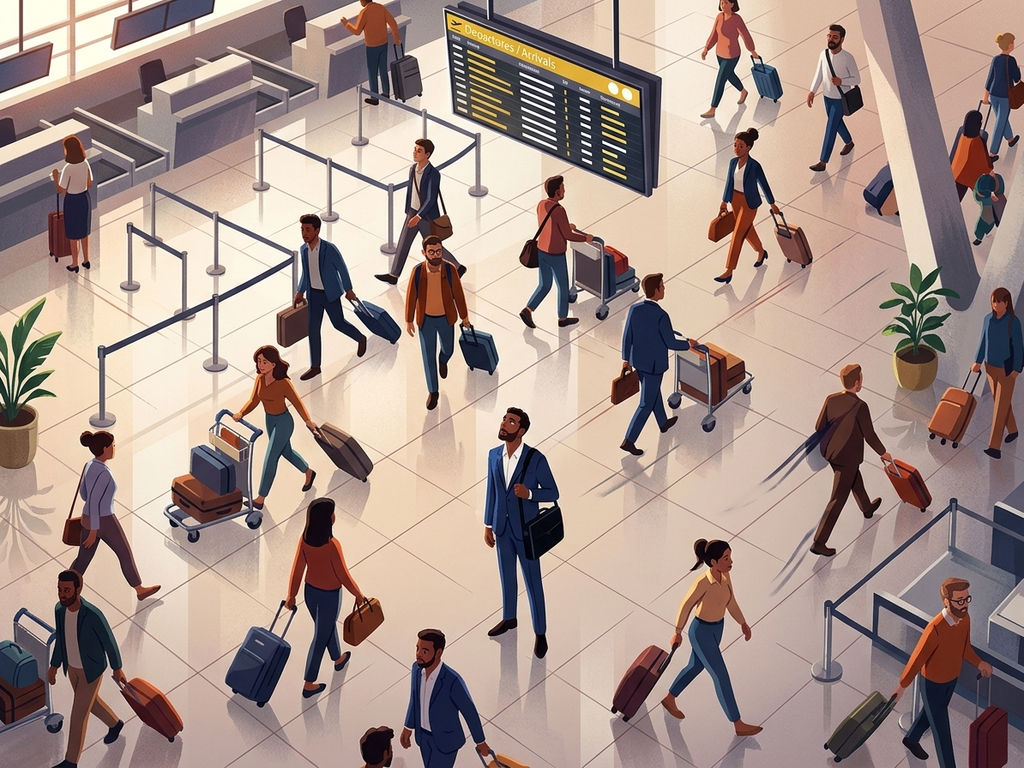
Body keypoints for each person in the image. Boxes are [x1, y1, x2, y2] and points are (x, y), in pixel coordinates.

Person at [661, 539, 763, 737]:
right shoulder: (702, 582)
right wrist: (677, 632)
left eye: (730, 556)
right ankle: (737, 722)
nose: (730, 561)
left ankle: (670, 697)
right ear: (713, 562)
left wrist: (742, 623)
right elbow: (686, 605)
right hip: (701, 632)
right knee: (721, 675)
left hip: (718, 628)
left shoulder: (725, 577)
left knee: (695, 666)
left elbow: (730, 602)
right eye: (726, 558)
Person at [483, 408, 559, 659]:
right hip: (502, 529)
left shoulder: (535, 459)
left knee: (533, 582)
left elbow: (553, 493)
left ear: (521, 430)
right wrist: (487, 524)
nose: (505, 424)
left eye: (511, 421)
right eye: (505, 419)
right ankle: (509, 618)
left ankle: (540, 632)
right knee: (507, 577)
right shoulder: (494, 456)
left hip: (526, 532)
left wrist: (530, 494)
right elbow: (492, 492)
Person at [893, 577, 993, 766]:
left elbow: (965, 648)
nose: (964, 605)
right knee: (942, 730)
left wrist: (979, 663)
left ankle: (911, 738)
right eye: (959, 600)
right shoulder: (935, 629)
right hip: (932, 683)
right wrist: (902, 685)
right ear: (946, 601)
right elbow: (917, 658)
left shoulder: (965, 619)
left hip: (951, 679)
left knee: (930, 714)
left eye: (967, 599)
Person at [285, 498, 364, 698]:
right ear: (329, 519)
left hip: (310, 593)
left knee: (324, 628)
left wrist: (291, 595)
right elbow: (342, 574)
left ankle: (338, 659)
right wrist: (358, 593)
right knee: (320, 637)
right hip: (330, 596)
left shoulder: (304, 540)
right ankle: (308, 682)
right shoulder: (332, 545)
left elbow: (297, 570)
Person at [48, 570, 127, 768]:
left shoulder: (92, 615)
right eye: (59, 589)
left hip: (91, 670)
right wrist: (54, 665)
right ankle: (115, 724)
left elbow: (109, 641)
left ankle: (70, 762)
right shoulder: (59, 610)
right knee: (91, 704)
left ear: (78, 589)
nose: (62, 594)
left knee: (78, 714)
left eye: (67, 590)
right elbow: (61, 640)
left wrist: (117, 668)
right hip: (72, 668)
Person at [811, 364, 891, 556]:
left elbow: (818, 426)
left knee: (854, 479)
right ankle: (819, 542)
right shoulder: (860, 406)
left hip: (833, 454)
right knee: (838, 498)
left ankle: (867, 507)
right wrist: (883, 452)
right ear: (857, 382)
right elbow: (869, 434)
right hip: (849, 458)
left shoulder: (831, 399)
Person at [70, 431, 160, 602]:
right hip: (104, 520)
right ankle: (139, 589)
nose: (114, 448)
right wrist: (94, 531)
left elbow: (84, 494)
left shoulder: (89, 465)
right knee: (124, 552)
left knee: (83, 558)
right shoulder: (104, 473)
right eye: (112, 445)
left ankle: (68, 588)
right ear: (105, 448)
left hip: (88, 518)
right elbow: (95, 501)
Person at [620, 273, 697, 456]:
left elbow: (627, 336)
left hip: (638, 361)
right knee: (646, 403)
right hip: (654, 365)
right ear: (655, 291)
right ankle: (629, 440)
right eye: (662, 286)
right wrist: (688, 345)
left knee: (653, 393)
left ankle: (663, 423)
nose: (664, 289)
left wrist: (625, 360)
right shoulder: (662, 316)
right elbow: (670, 342)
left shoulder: (634, 310)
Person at [233, 345, 317, 510]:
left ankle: (260, 498)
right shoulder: (259, 379)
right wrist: (241, 413)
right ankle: (308, 472)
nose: (261, 365)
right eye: (259, 361)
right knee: (286, 452)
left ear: (273, 364)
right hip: (270, 420)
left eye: (265, 362)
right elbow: (254, 400)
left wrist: (308, 420)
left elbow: (297, 402)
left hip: (284, 422)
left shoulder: (283, 383)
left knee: (271, 456)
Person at [376, 140, 465, 284]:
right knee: (404, 242)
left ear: (427, 154)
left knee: (433, 245)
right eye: (415, 149)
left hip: (425, 216)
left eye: (419, 151)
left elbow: (431, 199)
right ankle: (394, 275)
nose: (415, 152)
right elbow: (411, 191)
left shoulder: (433, 174)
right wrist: (409, 211)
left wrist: (418, 216)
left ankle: (458, 266)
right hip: (412, 212)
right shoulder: (412, 169)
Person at [292, 213, 367, 382]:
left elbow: (342, 268)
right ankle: (315, 367)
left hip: (330, 295)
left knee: (338, 323)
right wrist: (300, 291)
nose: (304, 233)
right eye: (302, 229)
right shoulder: (303, 250)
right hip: (313, 295)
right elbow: (306, 272)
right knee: (313, 330)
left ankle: (360, 338)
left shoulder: (329, 249)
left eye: (308, 230)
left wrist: (349, 289)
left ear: (317, 231)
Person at [400, 629, 490, 768]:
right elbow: (414, 699)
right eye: (417, 648)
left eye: (424, 651)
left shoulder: (452, 680)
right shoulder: (417, 670)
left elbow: (469, 711)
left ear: (438, 653)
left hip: (446, 741)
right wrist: (408, 727)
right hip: (423, 738)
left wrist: (480, 742)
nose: (418, 654)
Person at [404, 235, 471, 411]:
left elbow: (459, 294)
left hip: (446, 318)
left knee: (448, 349)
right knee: (428, 357)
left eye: (439, 251)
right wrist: (409, 320)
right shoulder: (417, 272)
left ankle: (443, 360)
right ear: (424, 253)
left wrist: (464, 317)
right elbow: (411, 296)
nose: (436, 255)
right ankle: (433, 391)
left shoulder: (449, 270)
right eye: (432, 252)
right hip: (425, 320)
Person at [519, 175, 592, 330]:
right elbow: (567, 235)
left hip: (542, 250)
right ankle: (562, 318)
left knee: (544, 284)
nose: (564, 190)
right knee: (563, 287)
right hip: (555, 253)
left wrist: (567, 226)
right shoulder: (559, 209)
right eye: (562, 187)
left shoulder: (541, 204)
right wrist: (586, 238)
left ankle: (528, 309)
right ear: (557, 191)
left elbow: (550, 224)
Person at [715, 128, 780, 284]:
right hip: (735, 200)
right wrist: (724, 201)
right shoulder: (732, 163)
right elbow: (729, 183)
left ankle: (729, 270)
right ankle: (761, 251)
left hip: (749, 203)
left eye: (741, 146)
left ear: (749, 148)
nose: (737, 149)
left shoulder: (755, 166)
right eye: (735, 145)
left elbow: (764, 185)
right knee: (748, 230)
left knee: (738, 234)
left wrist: (772, 204)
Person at [971, 287, 1023, 459]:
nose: (996, 304)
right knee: (1002, 402)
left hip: (1007, 370)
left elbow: (1018, 347)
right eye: (994, 301)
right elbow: (982, 341)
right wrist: (977, 361)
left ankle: (994, 447)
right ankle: (1013, 430)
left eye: (999, 301)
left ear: (1006, 303)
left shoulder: (1013, 322)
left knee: (999, 408)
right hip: (990, 368)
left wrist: (1017, 369)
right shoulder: (988, 320)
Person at [807, 24, 860, 172]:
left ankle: (823, 162)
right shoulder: (823, 54)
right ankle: (849, 142)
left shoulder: (848, 58)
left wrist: (842, 81)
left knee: (830, 128)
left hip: (839, 99)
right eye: (829, 36)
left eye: (835, 37)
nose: (831, 39)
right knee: (836, 124)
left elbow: (857, 79)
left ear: (842, 39)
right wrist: (812, 91)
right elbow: (819, 74)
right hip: (827, 97)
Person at [699, 0, 758, 119]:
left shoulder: (737, 19)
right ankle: (743, 91)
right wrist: (706, 48)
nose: (723, 5)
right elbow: (714, 34)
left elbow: (745, 35)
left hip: (732, 55)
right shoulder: (719, 17)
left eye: (726, 2)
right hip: (719, 53)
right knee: (729, 75)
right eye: (721, 2)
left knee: (720, 80)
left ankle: (713, 108)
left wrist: (752, 50)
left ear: (732, 4)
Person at [342, 0, 401, 106]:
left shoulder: (364, 12)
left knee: (372, 71)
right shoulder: (381, 8)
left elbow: (357, 31)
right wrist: (396, 39)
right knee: (383, 69)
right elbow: (393, 23)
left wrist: (346, 23)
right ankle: (386, 92)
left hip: (372, 47)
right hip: (384, 43)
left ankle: (374, 97)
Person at [50, 135, 93, 274]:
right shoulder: (85, 163)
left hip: (72, 201)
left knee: (73, 234)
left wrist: (55, 177)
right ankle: (86, 260)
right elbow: (90, 182)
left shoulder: (68, 168)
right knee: (84, 232)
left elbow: (61, 190)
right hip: (85, 199)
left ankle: (75, 263)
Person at [983, 32, 1021, 162]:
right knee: (1000, 122)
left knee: (1001, 118)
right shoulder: (1011, 60)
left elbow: (990, 78)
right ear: (1010, 45)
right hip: (1005, 95)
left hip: (993, 95)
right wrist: (1017, 68)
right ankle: (992, 153)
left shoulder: (995, 59)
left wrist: (985, 97)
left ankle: (1010, 139)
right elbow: (1017, 79)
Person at [951, 110, 993, 200]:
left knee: (954, 196)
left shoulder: (963, 136)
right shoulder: (977, 140)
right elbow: (981, 161)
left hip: (956, 171)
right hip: (965, 176)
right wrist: (989, 170)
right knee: (956, 198)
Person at [972, 170, 1005, 245]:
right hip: (985, 200)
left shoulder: (997, 179)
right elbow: (980, 194)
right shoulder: (982, 186)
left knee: (998, 209)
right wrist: (989, 197)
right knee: (987, 217)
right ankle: (979, 237)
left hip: (993, 195)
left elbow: (999, 191)